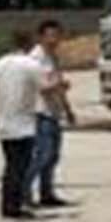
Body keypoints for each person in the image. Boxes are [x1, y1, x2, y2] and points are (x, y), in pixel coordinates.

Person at [0, 29, 44, 221]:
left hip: (5, 123)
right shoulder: (31, 64)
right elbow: (45, 86)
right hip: (24, 124)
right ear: (29, 43)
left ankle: (7, 204)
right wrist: (61, 85)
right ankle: (14, 206)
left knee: (10, 166)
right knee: (20, 167)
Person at [26, 18, 76, 209]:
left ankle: (47, 193)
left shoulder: (53, 57)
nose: (54, 40)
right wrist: (58, 86)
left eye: (57, 35)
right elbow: (38, 87)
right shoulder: (35, 59)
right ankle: (24, 192)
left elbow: (58, 84)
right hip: (41, 112)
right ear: (41, 37)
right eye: (50, 36)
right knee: (42, 155)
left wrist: (68, 110)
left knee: (53, 157)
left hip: (54, 112)